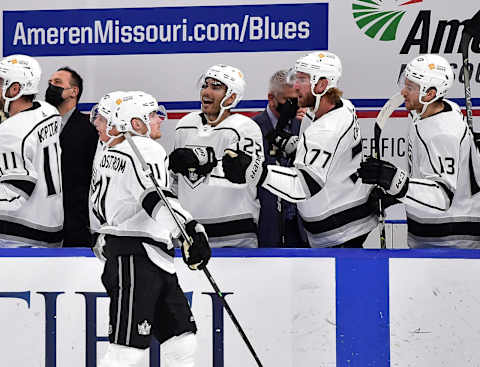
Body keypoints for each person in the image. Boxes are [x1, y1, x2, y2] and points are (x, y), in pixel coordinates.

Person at [90, 91, 210, 367]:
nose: (159, 119)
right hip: (136, 256)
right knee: (128, 350)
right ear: (136, 123)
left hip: (145, 255)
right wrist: (189, 230)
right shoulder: (142, 149)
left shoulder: (111, 152)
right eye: (153, 114)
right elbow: (154, 198)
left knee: (181, 339)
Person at [222, 52, 377, 248]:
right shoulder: (341, 107)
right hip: (343, 219)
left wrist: (257, 171)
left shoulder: (326, 130)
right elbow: (323, 153)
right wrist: (295, 145)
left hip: (339, 233)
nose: (295, 86)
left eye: (302, 79)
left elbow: (303, 186)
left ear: (321, 85)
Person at [358, 54, 480, 248]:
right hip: (434, 234)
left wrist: (395, 181)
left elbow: (441, 196)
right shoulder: (432, 112)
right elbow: (428, 176)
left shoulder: (443, 134)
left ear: (429, 94)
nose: (403, 92)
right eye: (404, 84)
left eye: (410, 87)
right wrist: (394, 195)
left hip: (452, 240)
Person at [169, 64, 264, 248]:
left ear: (232, 97)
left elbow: (250, 176)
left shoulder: (245, 128)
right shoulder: (185, 125)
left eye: (216, 87)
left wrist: (203, 161)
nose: (206, 91)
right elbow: (174, 182)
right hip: (191, 235)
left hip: (236, 236)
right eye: (205, 85)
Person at [0, 54, 64, 247]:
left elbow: (15, 190)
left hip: (19, 237)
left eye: (1, 82)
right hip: (53, 226)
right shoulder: (49, 111)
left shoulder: (10, 132)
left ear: (15, 89)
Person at [252, 69, 307, 247]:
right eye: (288, 101)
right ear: (271, 98)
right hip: (265, 231)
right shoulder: (251, 129)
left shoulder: (306, 127)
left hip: (301, 231)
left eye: (297, 99)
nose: (294, 105)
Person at [46, 66, 98, 246]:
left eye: (57, 83)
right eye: (50, 83)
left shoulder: (90, 130)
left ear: (74, 91)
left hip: (75, 226)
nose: (51, 86)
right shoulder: (37, 127)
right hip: (42, 223)